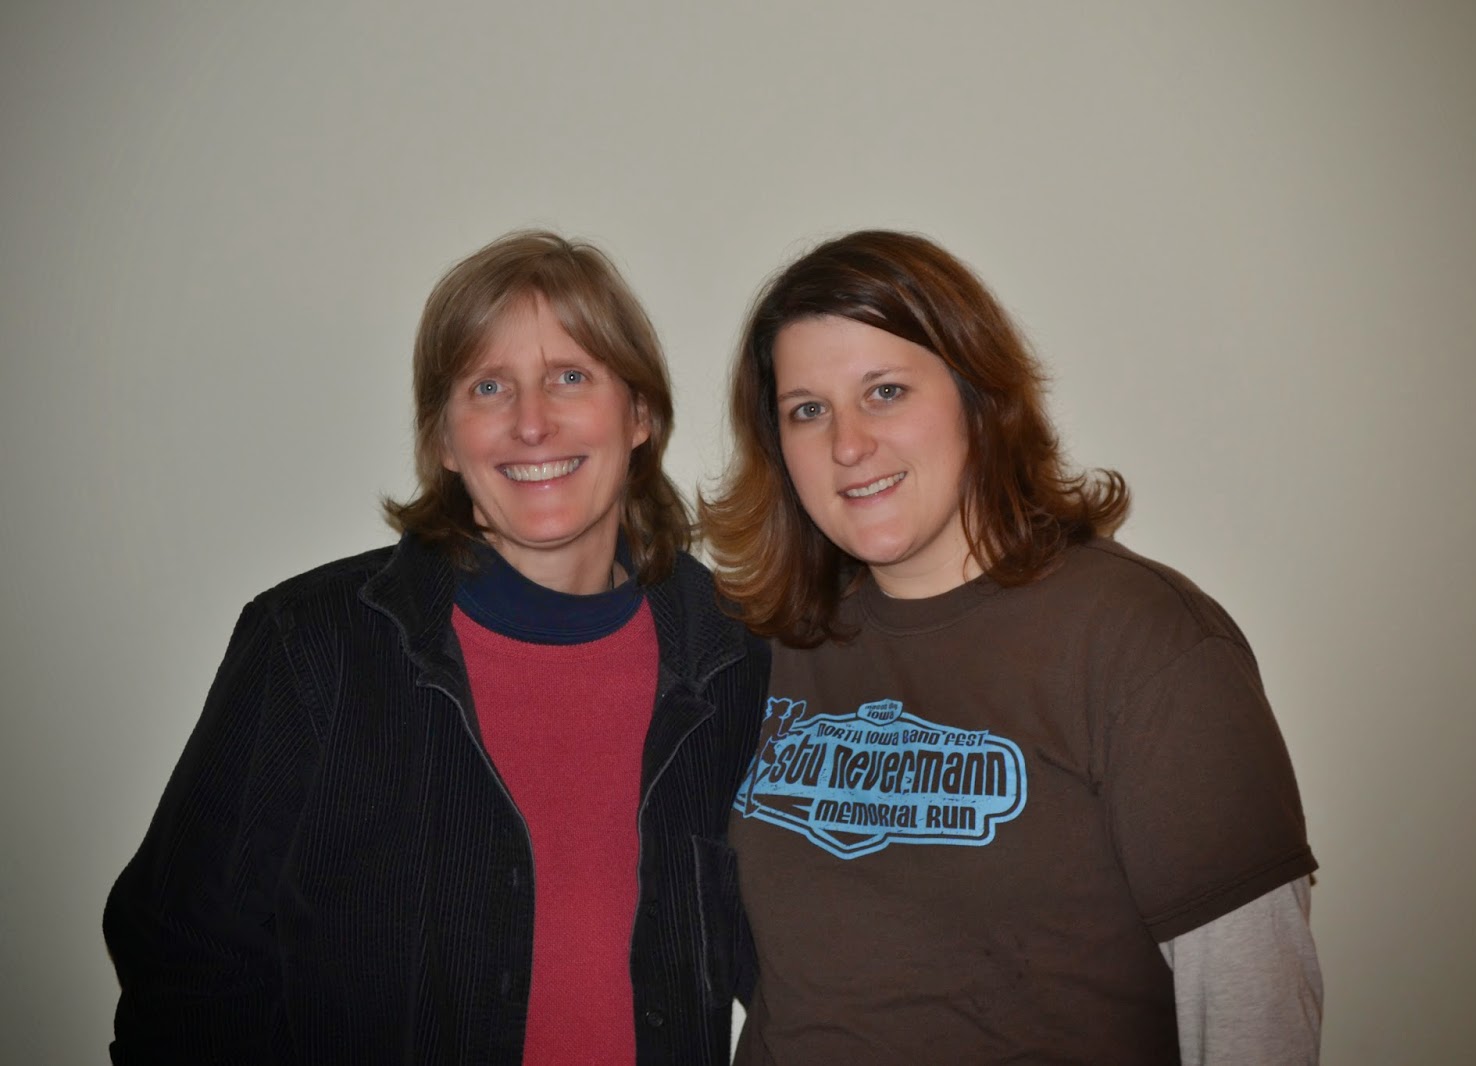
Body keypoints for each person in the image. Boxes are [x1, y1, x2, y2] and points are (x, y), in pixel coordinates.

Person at [104, 230, 767, 1065]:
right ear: (445, 441)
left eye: (571, 376)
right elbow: (185, 967)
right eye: (489, 386)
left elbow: (802, 955)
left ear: (640, 415)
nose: (532, 423)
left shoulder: (734, 659)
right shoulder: (312, 647)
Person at [700, 230, 1322, 1064]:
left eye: (885, 392)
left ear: (978, 397)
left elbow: (1253, 1009)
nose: (847, 444)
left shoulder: (1142, 639)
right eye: (807, 410)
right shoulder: (773, 644)